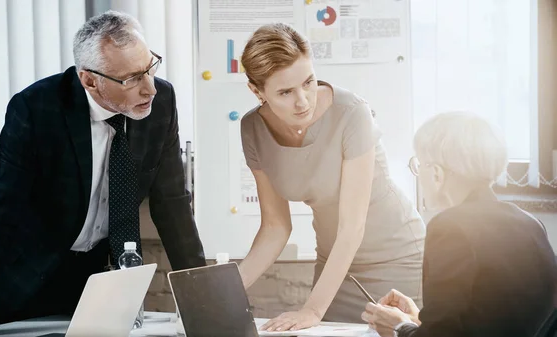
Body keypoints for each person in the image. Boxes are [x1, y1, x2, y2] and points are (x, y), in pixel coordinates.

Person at [0, 10, 206, 336]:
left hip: (99, 278)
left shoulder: (162, 100)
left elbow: (171, 202)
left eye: (150, 68)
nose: (150, 89)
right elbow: (0, 211)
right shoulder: (36, 109)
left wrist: (201, 299)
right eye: (132, 78)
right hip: (27, 274)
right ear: (89, 80)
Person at [238, 23, 426, 331]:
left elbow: (352, 225)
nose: (303, 101)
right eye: (285, 92)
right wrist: (224, 293)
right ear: (257, 91)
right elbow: (275, 226)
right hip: (336, 267)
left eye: (308, 82)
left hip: (397, 259)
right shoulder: (253, 129)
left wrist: (312, 309)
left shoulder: (351, 112)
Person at [361, 112, 557, 337]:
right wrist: (419, 319)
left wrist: (399, 328)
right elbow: (494, 317)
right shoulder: (531, 224)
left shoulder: (450, 228)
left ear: (436, 173)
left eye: (418, 164)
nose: (418, 174)